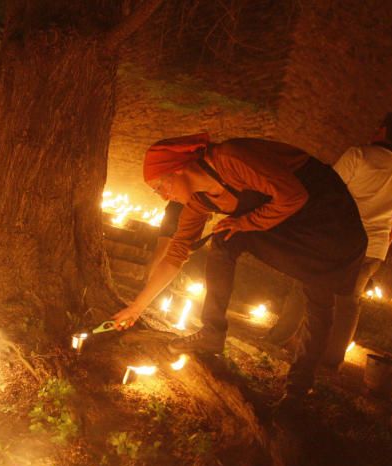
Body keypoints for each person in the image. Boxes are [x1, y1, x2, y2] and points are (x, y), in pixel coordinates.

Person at [111, 133, 366, 404]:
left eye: (161, 186)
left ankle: (297, 389)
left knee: (319, 297)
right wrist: (136, 307)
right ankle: (212, 332)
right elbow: (176, 255)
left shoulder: (230, 158)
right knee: (224, 238)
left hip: (327, 219)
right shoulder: (199, 202)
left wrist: (245, 223)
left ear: (179, 169)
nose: (163, 196)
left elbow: (293, 195)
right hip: (286, 222)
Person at [265, 113, 392, 370]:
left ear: (382, 129)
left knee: (306, 284)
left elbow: (327, 190)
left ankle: (278, 338)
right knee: (348, 304)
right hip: (374, 248)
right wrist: (380, 249)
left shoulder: (358, 155)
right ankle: (331, 361)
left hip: (339, 239)